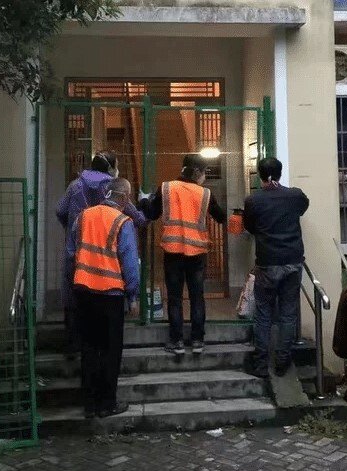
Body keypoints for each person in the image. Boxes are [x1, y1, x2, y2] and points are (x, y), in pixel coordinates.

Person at [56, 151, 146, 353]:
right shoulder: (113, 189)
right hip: (108, 268)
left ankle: (73, 343)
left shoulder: (75, 186)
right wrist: (146, 210)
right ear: (111, 168)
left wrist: (72, 228)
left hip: (80, 254)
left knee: (74, 294)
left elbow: (60, 210)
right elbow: (136, 217)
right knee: (107, 334)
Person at [66, 178, 140, 419]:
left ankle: (89, 405)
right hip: (110, 294)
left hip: (84, 291)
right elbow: (130, 262)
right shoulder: (122, 221)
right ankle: (107, 404)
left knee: (89, 348)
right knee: (110, 350)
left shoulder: (83, 216)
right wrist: (133, 295)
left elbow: (71, 253)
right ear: (124, 198)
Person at [141, 154, 226, 355]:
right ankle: (197, 341)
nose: (205, 176)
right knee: (197, 297)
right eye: (204, 172)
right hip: (197, 253)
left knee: (174, 297)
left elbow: (151, 213)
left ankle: (176, 341)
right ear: (197, 172)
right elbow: (221, 217)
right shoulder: (205, 193)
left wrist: (144, 200)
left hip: (173, 252)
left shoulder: (166, 188)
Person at [243, 157, 309, 378]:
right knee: (288, 314)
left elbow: (249, 226)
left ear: (259, 175)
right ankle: (282, 361)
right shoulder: (295, 196)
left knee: (263, 314)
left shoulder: (253, 200)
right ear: (280, 173)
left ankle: (261, 364)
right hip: (293, 261)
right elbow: (303, 208)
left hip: (267, 263)